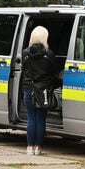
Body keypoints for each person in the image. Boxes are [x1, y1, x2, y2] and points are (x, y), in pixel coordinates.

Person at [22, 25, 58, 155]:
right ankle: (38, 147)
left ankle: (29, 147)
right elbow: (54, 71)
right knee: (41, 118)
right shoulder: (49, 54)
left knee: (31, 118)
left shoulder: (25, 53)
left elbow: (24, 70)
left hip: (29, 89)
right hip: (43, 90)